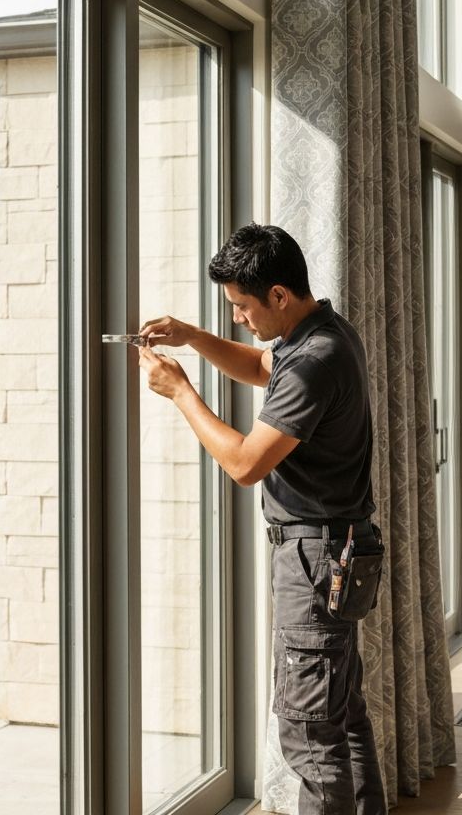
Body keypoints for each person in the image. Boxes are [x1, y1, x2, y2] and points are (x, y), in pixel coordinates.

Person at [137, 222, 386, 815]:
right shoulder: (324, 332)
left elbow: (246, 464)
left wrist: (181, 393)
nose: (239, 319)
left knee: (309, 735)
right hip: (341, 549)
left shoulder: (312, 361)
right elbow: (260, 369)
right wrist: (194, 336)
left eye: (243, 307)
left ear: (278, 295)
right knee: (342, 714)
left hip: (315, 560)